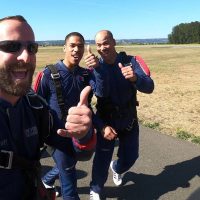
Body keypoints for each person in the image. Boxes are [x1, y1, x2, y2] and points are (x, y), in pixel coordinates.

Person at [0, 15, 93, 200]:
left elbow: (77, 153)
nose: (26, 56)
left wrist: (84, 134)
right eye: (11, 46)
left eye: (32, 48)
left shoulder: (35, 108)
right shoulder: (49, 75)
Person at [84, 30, 154, 200]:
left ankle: (117, 167)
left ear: (114, 42)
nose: (102, 47)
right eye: (99, 44)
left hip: (129, 120)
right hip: (107, 121)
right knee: (101, 159)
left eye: (106, 42)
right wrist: (100, 126)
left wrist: (135, 78)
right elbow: (92, 98)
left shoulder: (131, 61)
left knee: (131, 157)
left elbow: (150, 87)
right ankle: (96, 188)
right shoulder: (94, 68)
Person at [34, 32, 102, 200]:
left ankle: (47, 179)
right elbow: (35, 105)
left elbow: (101, 91)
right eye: (72, 46)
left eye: (80, 46)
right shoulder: (48, 74)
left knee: (74, 160)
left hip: (78, 133)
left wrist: (98, 68)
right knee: (68, 172)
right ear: (64, 47)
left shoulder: (86, 74)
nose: (76, 50)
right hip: (55, 136)